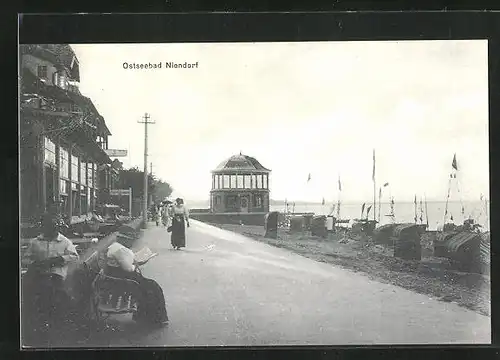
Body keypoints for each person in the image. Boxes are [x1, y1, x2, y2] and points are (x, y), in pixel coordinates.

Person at [22, 213, 80, 341]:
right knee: (32, 291)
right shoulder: (36, 242)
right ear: (44, 228)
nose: (53, 230)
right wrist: (36, 263)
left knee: (52, 291)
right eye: (49, 227)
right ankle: (38, 320)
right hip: (39, 272)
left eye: (55, 227)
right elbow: (25, 259)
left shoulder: (64, 241)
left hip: (56, 273)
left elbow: (75, 256)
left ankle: (55, 320)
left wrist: (60, 259)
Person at [105, 241, 168, 326]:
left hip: (121, 278)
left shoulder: (114, 248)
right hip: (126, 280)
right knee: (153, 287)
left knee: (151, 286)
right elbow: (128, 268)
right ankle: (154, 318)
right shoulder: (119, 251)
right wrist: (137, 264)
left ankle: (147, 316)